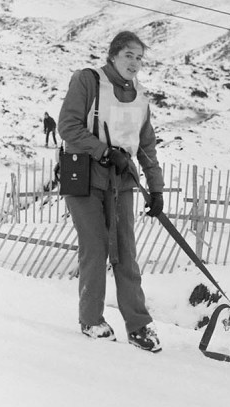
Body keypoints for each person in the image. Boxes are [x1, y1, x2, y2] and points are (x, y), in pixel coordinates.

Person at [57, 31, 165, 352]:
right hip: (85, 175)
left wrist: (156, 189)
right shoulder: (88, 81)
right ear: (113, 56)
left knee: (125, 252)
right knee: (96, 245)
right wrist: (104, 152)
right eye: (129, 55)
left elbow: (145, 146)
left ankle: (139, 325)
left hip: (121, 180)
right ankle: (91, 318)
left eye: (139, 58)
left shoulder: (141, 98)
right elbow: (68, 126)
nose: (135, 62)